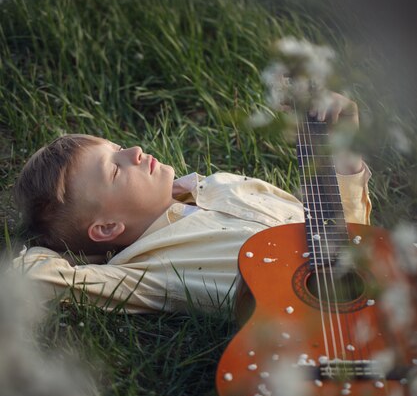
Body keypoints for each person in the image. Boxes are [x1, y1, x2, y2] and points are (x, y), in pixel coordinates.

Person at [12, 93, 371, 315]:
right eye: (115, 170)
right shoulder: (147, 270)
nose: (135, 152)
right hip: (329, 332)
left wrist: (340, 153)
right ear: (107, 227)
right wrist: (83, 254)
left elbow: (341, 237)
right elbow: (37, 277)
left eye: (120, 149)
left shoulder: (221, 184)